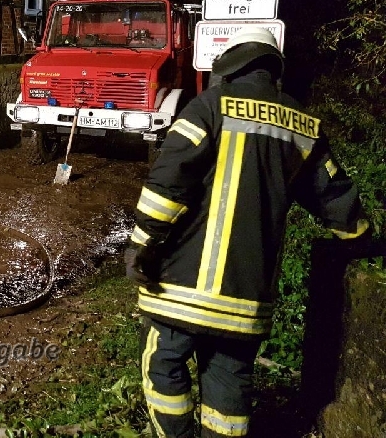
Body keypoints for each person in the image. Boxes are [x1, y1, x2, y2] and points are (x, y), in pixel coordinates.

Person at [124, 26, 373, 437]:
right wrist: (359, 237)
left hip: (179, 288)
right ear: (273, 67)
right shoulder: (301, 124)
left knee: (162, 365)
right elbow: (333, 193)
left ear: (230, 63)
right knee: (230, 379)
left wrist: (141, 243)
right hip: (247, 297)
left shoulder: (208, 108)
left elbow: (168, 183)